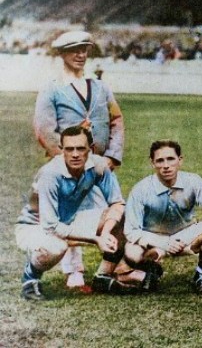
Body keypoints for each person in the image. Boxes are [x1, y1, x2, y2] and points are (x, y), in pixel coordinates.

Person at [34, 30, 125, 290]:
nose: (81, 55)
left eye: (84, 49)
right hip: (70, 165)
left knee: (111, 213)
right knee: (68, 215)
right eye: (74, 50)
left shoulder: (99, 87)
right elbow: (44, 129)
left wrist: (111, 156)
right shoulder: (52, 89)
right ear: (61, 54)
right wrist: (67, 162)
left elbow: (116, 120)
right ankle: (73, 270)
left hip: (98, 166)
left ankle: (110, 267)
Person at [16, 126, 128, 300]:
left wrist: (106, 231)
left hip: (68, 220)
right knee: (56, 246)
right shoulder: (50, 174)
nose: (75, 154)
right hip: (35, 227)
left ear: (90, 149)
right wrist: (96, 238)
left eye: (80, 148)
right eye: (69, 149)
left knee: (124, 217)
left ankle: (103, 276)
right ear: (62, 150)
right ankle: (30, 278)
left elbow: (117, 202)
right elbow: (51, 226)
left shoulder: (98, 166)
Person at [123, 140, 202, 295]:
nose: (166, 165)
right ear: (152, 163)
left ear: (180, 160)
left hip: (188, 238)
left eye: (170, 159)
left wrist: (191, 235)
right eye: (160, 160)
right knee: (132, 252)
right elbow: (131, 231)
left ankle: (201, 274)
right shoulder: (140, 189)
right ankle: (151, 270)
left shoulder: (193, 181)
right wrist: (164, 242)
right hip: (155, 240)